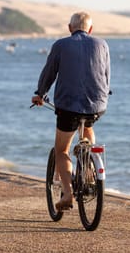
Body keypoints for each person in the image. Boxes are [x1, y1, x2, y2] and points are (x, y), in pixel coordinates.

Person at [31, 11, 111, 211]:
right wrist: (104, 93)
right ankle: (90, 170)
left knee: (61, 150)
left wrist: (40, 94)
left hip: (68, 107)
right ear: (90, 30)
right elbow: (106, 73)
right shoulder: (102, 44)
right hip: (96, 105)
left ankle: (67, 193)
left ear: (69, 28)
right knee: (87, 128)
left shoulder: (60, 45)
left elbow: (49, 72)